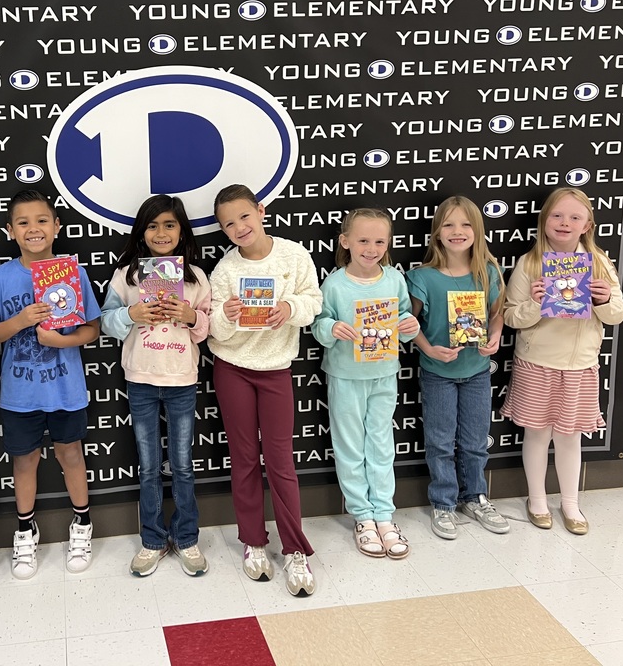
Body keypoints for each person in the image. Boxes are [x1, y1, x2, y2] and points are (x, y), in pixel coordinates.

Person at [0, 190, 101, 578]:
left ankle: (82, 524)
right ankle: (25, 531)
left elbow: (92, 329)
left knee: (71, 454)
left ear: (57, 226)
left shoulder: (74, 273)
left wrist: (60, 341)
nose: (34, 229)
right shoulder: (0, 277)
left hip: (65, 388)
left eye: (42, 220)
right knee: (24, 460)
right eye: (24, 222)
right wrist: (20, 321)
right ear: (10, 231)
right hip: (20, 392)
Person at [207, 184, 321, 597]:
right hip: (232, 369)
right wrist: (226, 314)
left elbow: (314, 302)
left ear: (261, 211)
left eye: (244, 216)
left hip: (276, 370)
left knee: (280, 461)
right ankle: (253, 542)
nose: (239, 227)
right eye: (228, 224)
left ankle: (295, 549)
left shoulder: (293, 255)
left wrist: (290, 308)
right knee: (243, 459)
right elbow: (214, 331)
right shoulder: (225, 270)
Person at [502, 188, 623, 535]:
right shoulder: (530, 263)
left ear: (587, 225)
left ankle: (570, 502)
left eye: (574, 217)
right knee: (537, 434)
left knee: (570, 437)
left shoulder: (599, 263)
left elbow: (619, 314)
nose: (564, 223)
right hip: (538, 363)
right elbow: (511, 316)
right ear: (544, 221)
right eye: (557, 216)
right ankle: (537, 499)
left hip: (579, 366)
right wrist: (535, 303)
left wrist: (603, 300)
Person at [101, 194, 212, 577]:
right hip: (141, 379)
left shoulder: (195, 277)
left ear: (181, 231)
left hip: (181, 379)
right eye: (152, 225)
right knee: (148, 467)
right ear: (141, 232)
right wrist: (131, 314)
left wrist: (191, 315)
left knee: (182, 466)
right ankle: (152, 540)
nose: (161, 233)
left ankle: (187, 537)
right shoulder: (127, 275)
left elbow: (207, 330)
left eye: (169, 225)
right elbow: (106, 321)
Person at [311, 208, 420, 560]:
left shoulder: (395, 279)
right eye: (362, 241)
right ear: (345, 241)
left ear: (388, 244)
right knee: (349, 446)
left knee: (381, 444)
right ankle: (362, 516)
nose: (371, 249)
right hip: (345, 376)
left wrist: (411, 326)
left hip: (384, 373)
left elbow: (403, 317)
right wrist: (331, 328)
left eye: (379, 242)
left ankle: (384, 515)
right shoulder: (334, 284)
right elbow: (319, 324)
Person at [406, 197, 508, 541]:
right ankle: (443, 502)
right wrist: (428, 348)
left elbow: (496, 314)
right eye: (448, 224)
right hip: (438, 373)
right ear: (437, 232)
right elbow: (409, 323)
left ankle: (475, 497)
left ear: (477, 231)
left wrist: (495, 336)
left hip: (477, 371)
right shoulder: (422, 277)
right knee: (440, 441)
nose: (457, 231)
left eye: (465, 224)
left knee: (475, 441)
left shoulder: (488, 272)